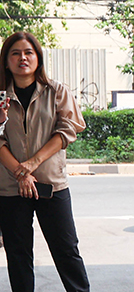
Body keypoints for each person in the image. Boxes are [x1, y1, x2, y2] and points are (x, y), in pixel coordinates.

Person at [0, 32, 89, 292]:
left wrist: (33, 163)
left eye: (28, 52)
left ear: (38, 58)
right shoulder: (0, 97)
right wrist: (21, 173)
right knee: (17, 255)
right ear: (6, 61)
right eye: (15, 53)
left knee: (66, 250)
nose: (22, 58)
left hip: (51, 185)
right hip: (10, 187)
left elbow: (68, 130)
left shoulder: (56, 91)